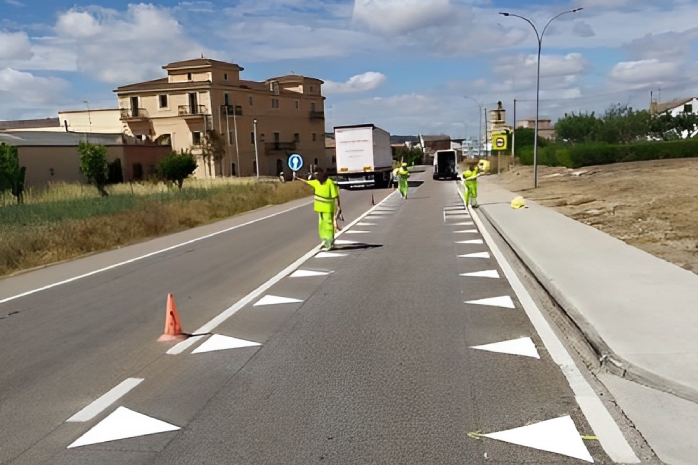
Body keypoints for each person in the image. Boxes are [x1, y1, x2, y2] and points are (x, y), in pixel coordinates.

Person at [294, 167, 341, 250]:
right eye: (315, 174)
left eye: (318, 174)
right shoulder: (316, 183)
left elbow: (336, 196)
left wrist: (339, 207)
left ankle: (330, 242)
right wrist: (297, 178)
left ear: (323, 173)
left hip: (328, 208)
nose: (317, 176)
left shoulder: (330, 183)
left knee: (328, 225)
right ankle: (324, 240)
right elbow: (307, 182)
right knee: (321, 225)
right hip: (320, 208)